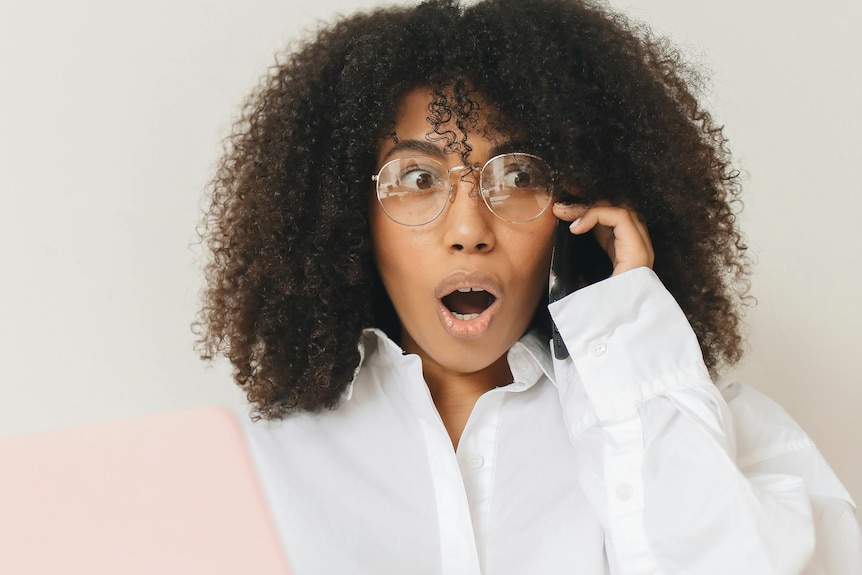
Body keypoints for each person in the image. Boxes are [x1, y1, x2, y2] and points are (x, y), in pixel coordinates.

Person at [195, 0, 861, 572]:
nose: (468, 230)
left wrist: (626, 317)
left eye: (516, 177)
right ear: (349, 217)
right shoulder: (258, 471)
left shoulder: (699, 431)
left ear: (575, 201)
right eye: (418, 178)